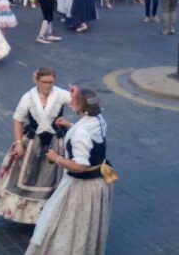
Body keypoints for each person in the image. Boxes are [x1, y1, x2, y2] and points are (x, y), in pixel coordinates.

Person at [25, 88, 114, 255]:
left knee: (63, 220)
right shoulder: (99, 120)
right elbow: (88, 134)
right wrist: (69, 125)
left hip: (83, 187)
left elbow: (80, 166)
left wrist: (56, 157)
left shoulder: (80, 133)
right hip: (100, 180)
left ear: (79, 106)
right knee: (87, 223)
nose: (71, 101)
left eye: (74, 100)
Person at [0, 67, 72, 224]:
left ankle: (50, 215)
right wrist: (19, 142)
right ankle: (23, 213)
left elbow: (78, 104)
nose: (48, 85)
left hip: (55, 143)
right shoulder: (28, 97)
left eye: (50, 82)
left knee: (52, 178)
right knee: (25, 175)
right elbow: (18, 120)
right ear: (37, 81)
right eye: (44, 82)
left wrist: (75, 97)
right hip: (33, 143)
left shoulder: (60, 94)